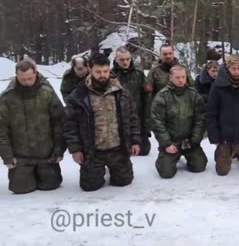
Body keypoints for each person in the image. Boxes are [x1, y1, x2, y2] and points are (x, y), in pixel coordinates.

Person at [64, 53, 141, 191]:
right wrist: (75, 149)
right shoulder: (78, 96)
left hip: (118, 148)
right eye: (98, 72)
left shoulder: (121, 92)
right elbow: (70, 125)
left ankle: (118, 167)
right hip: (93, 151)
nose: (102, 75)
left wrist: (135, 141)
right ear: (90, 70)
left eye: (105, 71)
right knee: (89, 187)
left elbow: (132, 117)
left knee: (124, 182)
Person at [0, 59, 64, 194]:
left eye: (30, 78)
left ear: (36, 73)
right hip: (20, 157)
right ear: (16, 76)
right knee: (20, 189)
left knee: (51, 186)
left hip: (46, 155)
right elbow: (2, 130)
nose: (27, 82)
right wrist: (7, 156)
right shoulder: (7, 98)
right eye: (22, 79)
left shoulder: (47, 93)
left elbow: (59, 122)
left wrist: (59, 150)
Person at [151, 65, 208, 178]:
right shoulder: (162, 96)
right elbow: (157, 122)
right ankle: (164, 158)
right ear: (170, 78)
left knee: (199, 166)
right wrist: (166, 143)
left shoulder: (193, 94)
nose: (181, 80)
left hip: (189, 141)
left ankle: (190, 154)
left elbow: (200, 119)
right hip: (172, 141)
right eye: (177, 77)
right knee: (166, 173)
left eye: (183, 77)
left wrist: (195, 140)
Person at [207, 54, 239, 176]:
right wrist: (215, 137)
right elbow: (211, 112)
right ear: (227, 69)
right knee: (222, 171)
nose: (236, 71)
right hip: (225, 136)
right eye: (233, 68)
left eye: (238, 68)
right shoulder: (217, 86)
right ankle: (225, 153)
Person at [112, 46, 151, 156]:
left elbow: (147, 97)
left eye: (127, 59)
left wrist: (146, 121)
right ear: (116, 59)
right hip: (118, 117)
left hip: (136, 116)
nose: (125, 62)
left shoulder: (138, 74)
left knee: (144, 151)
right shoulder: (111, 75)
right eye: (122, 60)